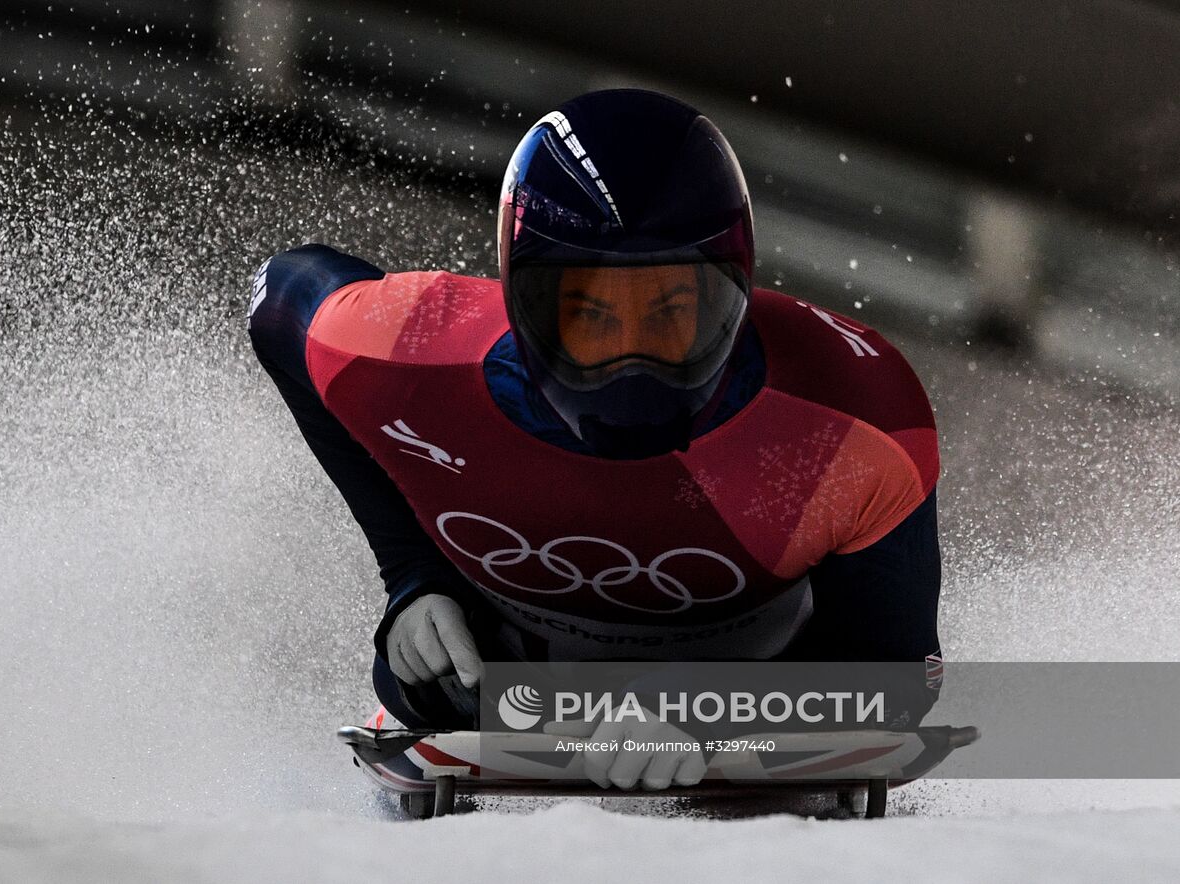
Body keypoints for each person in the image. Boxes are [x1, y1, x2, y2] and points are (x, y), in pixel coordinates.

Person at [247, 89, 942, 791]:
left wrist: (712, 708)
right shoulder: (408, 348)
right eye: (591, 317)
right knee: (428, 678)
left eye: (673, 314)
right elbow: (278, 296)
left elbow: (904, 684)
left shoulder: (854, 415)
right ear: (524, 299)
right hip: (496, 666)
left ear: (734, 292)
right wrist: (412, 577)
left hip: (761, 665)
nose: (631, 363)